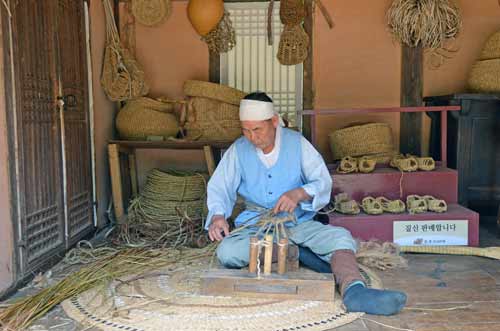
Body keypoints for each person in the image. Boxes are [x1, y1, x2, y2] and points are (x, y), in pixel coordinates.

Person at [206, 91, 407, 315]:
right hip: (257, 225)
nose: (252, 137)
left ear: (274, 122)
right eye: (246, 130)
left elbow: (322, 181)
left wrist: (300, 193)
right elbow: (220, 186)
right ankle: (296, 253)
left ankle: (354, 291)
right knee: (228, 252)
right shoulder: (238, 149)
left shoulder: (297, 144)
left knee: (340, 238)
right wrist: (217, 215)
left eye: (257, 130)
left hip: (297, 222)